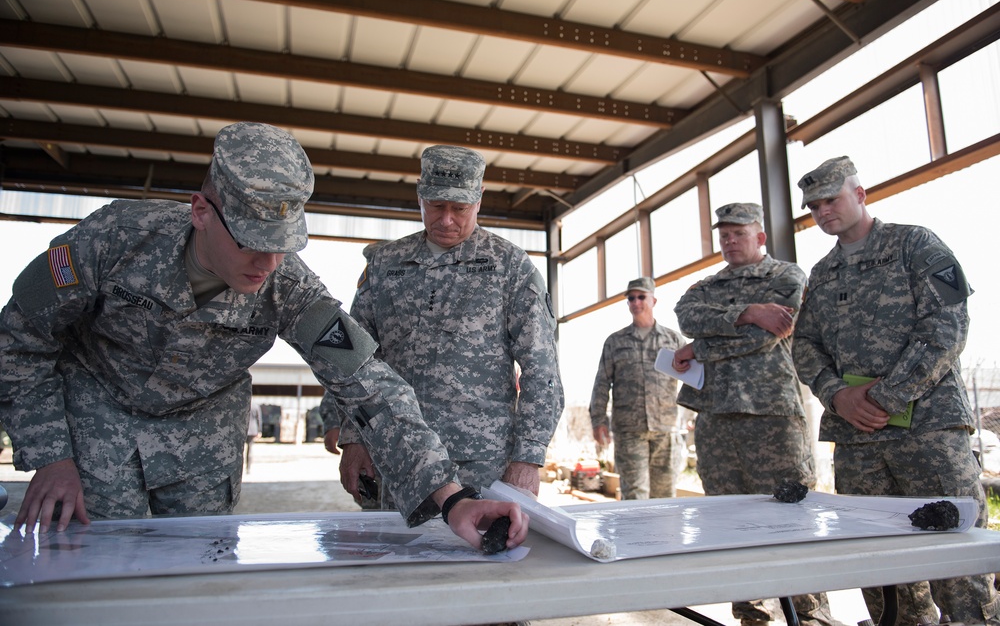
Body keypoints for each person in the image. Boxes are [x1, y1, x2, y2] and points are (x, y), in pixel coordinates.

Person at [0, 122, 528, 553]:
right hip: (98, 414)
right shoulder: (113, 242)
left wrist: (452, 497)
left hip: (204, 430)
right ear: (202, 212)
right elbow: (19, 340)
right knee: (93, 560)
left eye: (283, 245)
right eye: (254, 243)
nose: (268, 264)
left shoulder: (289, 286)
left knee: (197, 568)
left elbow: (371, 386)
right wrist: (51, 455)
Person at [792, 156, 999, 625]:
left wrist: (887, 396)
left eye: (832, 199)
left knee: (956, 553)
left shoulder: (916, 244)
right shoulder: (822, 274)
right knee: (879, 562)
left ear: (860, 194)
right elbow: (803, 345)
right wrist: (837, 394)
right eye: (813, 205)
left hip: (928, 431)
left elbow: (948, 324)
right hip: (858, 441)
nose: (823, 211)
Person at [321, 144, 564, 509]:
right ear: (420, 195)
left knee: (483, 560)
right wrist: (355, 438)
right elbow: (354, 360)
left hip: (480, 463)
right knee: (394, 559)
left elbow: (541, 368)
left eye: (459, 208)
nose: (447, 219)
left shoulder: (510, 267)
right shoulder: (386, 265)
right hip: (396, 456)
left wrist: (528, 459)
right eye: (436, 206)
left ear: (479, 199)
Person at [673, 202, 842, 626]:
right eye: (724, 234)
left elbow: (765, 339)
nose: (729, 241)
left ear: (760, 237)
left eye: (738, 233)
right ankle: (751, 614)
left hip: (772, 416)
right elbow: (686, 313)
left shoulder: (785, 276)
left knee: (791, 516)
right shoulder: (708, 285)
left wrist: (700, 346)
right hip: (715, 418)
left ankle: (810, 615)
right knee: (727, 522)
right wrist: (748, 312)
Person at [589, 276, 684, 499]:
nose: (636, 302)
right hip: (629, 430)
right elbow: (602, 383)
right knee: (634, 496)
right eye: (631, 298)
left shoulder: (673, 340)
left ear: (654, 301)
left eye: (641, 297)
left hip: (665, 429)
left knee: (665, 496)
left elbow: (693, 379)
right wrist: (598, 420)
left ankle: (664, 536)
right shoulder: (615, 341)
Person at [245, 401, 262, 472]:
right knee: (250, 450)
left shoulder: (244, 404)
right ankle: (248, 468)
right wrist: (259, 430)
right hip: (253, 429)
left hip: (244, 429)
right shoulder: (256, 406)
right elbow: (259, 419)